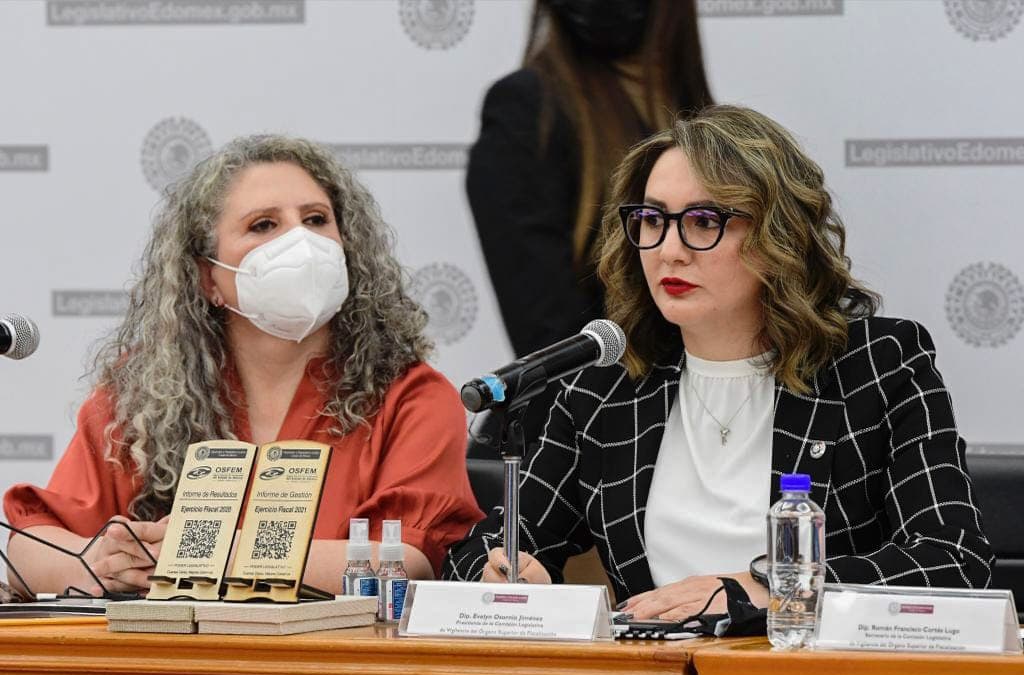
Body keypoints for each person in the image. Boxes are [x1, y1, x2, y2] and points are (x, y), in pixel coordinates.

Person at [444, 105, 993, 619]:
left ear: (779, 234)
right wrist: (508, 575)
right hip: (656, 671)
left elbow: (953, 562)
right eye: (652, 220)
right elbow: (476, 554)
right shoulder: (605, 390)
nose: (669, 250)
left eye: (704, 221)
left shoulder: (878, 365)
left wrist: (763, 587)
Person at [4, 135, 484, 597]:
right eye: (263, 225)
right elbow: (29, 548)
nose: (301, 241)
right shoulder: (144, 393)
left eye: (316, 219)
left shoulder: (411, 396)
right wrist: (100, 562)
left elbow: (406, 560)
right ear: (207, 278)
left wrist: (212, 556)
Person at [467, 0, 713, 441]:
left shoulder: (701, 118)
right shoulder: (528, 109)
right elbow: (546, 329)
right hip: (581, 437)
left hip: (702, 420)